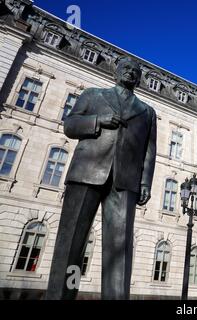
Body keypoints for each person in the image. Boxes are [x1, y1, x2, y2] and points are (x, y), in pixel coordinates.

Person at [45, 57, 157, 300]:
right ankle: (60, 296)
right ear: (116, 72)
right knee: (71, 243)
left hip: (125, 181)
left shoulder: (147, 112)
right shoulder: (93, 95)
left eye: (135, 71)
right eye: (126, 68)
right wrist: (97, 121)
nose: (130, 72)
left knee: (120, 251)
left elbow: (149, 150)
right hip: (86, 172)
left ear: (139, 80)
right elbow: (70, 125)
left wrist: (146, 181)